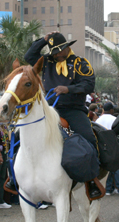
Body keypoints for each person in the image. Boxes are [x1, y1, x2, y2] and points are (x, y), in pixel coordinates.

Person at [25, 31, 101, 199]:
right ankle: (16, 177)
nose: (57, 54)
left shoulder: (80, 62)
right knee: (22, 133)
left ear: (67, 47)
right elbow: (29, 55)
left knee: (89, 138)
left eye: (60, 50)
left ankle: (92, 179)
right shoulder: (46, 61)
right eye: (54, 51)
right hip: (49, 109)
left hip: (73, 109)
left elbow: (88, 84)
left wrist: (68, 89)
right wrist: (44, 40)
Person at [96, 103, 119, 196]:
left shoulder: (98, 119)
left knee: (106, 167)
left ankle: (108, 189)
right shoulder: (114, 119)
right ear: (111, 110)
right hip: (113, 144)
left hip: (102, 146)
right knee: (117, 167)